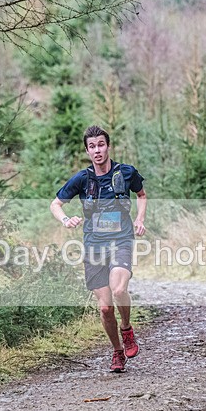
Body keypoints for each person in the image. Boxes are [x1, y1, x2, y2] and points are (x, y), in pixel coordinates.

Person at [50, 125, 147, 372]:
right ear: (87, 151)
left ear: (108, 146)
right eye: (92, 147)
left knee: (119, 289)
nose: (97, 150)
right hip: (94, 247)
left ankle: (126, 328)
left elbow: (142, 195)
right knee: (105, 308)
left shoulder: (125, 172)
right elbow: (56, 204)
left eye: (101, 145)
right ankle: (117, 352)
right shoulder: (82, 179)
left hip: (122, 241)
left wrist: (139, 219)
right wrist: (66, 219)